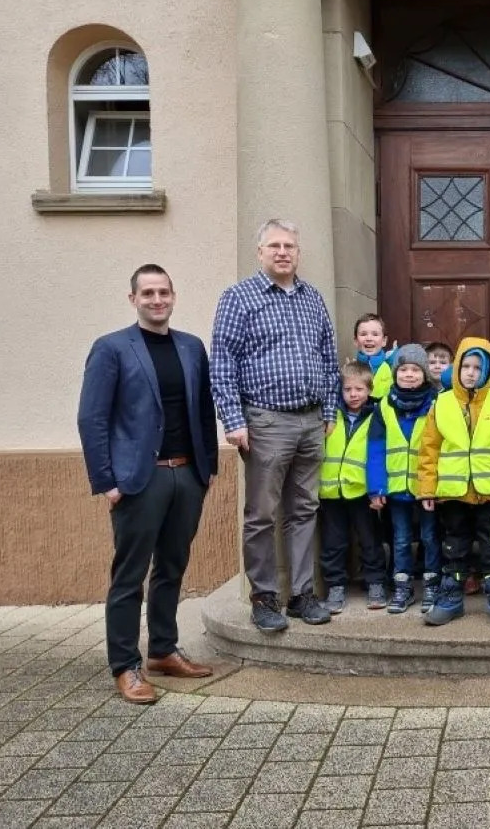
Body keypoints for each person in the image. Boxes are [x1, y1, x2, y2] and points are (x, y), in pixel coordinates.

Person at [77, 264, 217, 705]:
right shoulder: (112, 348)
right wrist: (107, 482)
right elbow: (92, 418)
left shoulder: (192, 348)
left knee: (172, 568)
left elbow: (202, 409)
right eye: (148, 293)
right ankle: (125, 666)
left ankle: (162, 650)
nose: (157, 300)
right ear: (133, 298)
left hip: (186, 475)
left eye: (164, 292)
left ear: (173, 296)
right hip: (139, 479)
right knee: (129, 576)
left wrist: (207, 467)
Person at [210, 218, 340, 633]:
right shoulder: (239, 298)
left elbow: (328, 358)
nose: (283, 252)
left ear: (298, 253)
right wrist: (233, 419)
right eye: (274, 246)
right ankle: (264, 597)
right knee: (262, 514)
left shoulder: (312, 298)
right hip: (265, 420)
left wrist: (330, 412)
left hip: (310, 420)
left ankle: (301, 594)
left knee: (304, 509)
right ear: (260, 252)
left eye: (289, 246)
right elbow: (222, 362)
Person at [417, 338, 490, 627]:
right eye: (466, 366)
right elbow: (429, 449)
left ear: (488, 371)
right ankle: (451, 600)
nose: (471, 372)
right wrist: (426, 488)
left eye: (478, 367)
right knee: (453, 548)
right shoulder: (442, 403)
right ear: (457, 368)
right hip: (453, 493)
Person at [368, 345, 441, 614]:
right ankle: (403, 587)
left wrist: (435, 486)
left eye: (415, 370)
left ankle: (433, 584)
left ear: (424, 374)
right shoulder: (385, 406)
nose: (409, 375)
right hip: (396, 487)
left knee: (431, 537)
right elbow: (375, 449)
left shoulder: (436, 403)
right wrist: (377, 487)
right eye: (403, 370)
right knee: (400, 539)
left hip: (426, 488)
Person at [318, 362, 387, 614]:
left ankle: (376, 583)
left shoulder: (376, 415)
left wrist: (377, 490)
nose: (353, 394)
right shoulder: (330, 414)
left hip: (362, 492)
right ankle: (335, 586)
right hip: (331, 492)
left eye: (359, 389)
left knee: (369, 540)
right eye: (347, 389)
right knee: (333, 542)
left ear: (369, 390)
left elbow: (379, 454)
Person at [354, 313, 397, 399]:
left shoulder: (393, 368)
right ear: (356, 341)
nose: (369, 338)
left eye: (375, 334)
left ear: (384, 341)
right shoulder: (351, 370)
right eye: (363, 334)